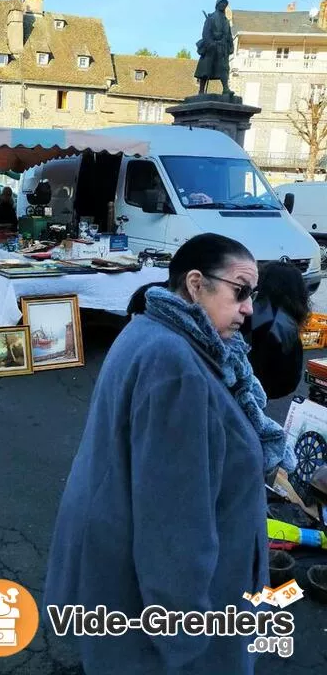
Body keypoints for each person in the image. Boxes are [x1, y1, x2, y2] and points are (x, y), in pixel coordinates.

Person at [44, 233, 295, 675]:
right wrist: (184, 627)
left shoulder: (157, 331)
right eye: (240, 291)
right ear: (195, 285)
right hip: (160, 610)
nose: (249, 308)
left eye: (252, 294)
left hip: (124, 572)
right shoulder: (177, 364)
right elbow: (176, 522)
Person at [243, 260, 310, 400]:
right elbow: (289, 379)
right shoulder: (286, 324)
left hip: (236, 383)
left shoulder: (246, 309)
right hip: (261, 391)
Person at [195, 0, 234, 95]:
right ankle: (201, 90)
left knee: (224, 68)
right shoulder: (211, 18)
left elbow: (229, 35)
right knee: (205, 69)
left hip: (222, 47)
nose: (223, 5)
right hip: (211, 47)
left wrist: (230, 46)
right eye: (221, 3)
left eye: (225, 4)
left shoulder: (226, 21)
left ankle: (225, 88)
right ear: (217, 5)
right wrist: (210, 43)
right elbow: (206, 33)